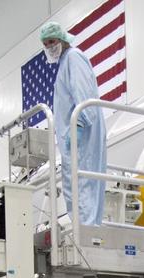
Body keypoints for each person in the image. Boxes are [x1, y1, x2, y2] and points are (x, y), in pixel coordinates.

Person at [43, 21, 106, 226]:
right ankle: (84, 227)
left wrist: (79, 124)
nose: (50, 46)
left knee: (82, 184)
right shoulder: (65, 63)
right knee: (77, 183)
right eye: (46, 43)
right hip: (74, 136)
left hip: (81, 133)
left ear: (61, 38)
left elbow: (83, 93)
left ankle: (86, 230)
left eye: (52, 41)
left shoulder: (73, 57)